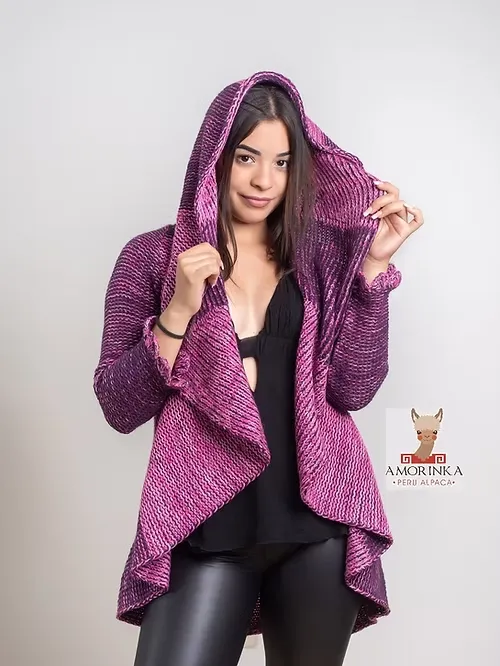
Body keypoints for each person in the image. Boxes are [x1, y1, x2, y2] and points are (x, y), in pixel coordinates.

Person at [94, 70, 424, 666]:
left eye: (282, 162)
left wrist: (371, 273)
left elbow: (353, 388)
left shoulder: (319, 255)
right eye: (247, 157)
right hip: (205, 525)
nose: (264, 181)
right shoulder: (152, 258)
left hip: (318, 527)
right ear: (215, 157)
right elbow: (119, 406)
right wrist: (177, 312)